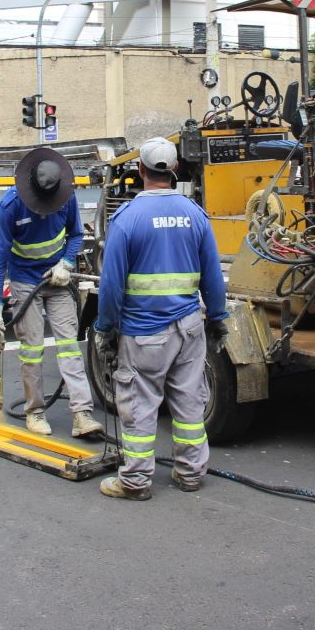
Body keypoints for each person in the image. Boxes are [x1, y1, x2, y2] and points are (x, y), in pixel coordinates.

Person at [92, 137, 228, 500]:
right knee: (188, 402)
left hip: (143, 334)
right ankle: (191, 473)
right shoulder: (195, 215)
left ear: (140, 171)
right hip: (189, 330)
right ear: (175, 170)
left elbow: (111, 286)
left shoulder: (127, 219)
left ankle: (135, 481)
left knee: (138, 406)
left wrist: (104, 328)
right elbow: (213, 277)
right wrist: (218, 320)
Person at [0, 147, 102, 439]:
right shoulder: (11, 206)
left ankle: (82, 414)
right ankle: (35, 411)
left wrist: (67, 262)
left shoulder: (65, 197)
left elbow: (75, 235)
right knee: (32, 351)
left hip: (57, 280)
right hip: (25, 281)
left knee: (70, 348)